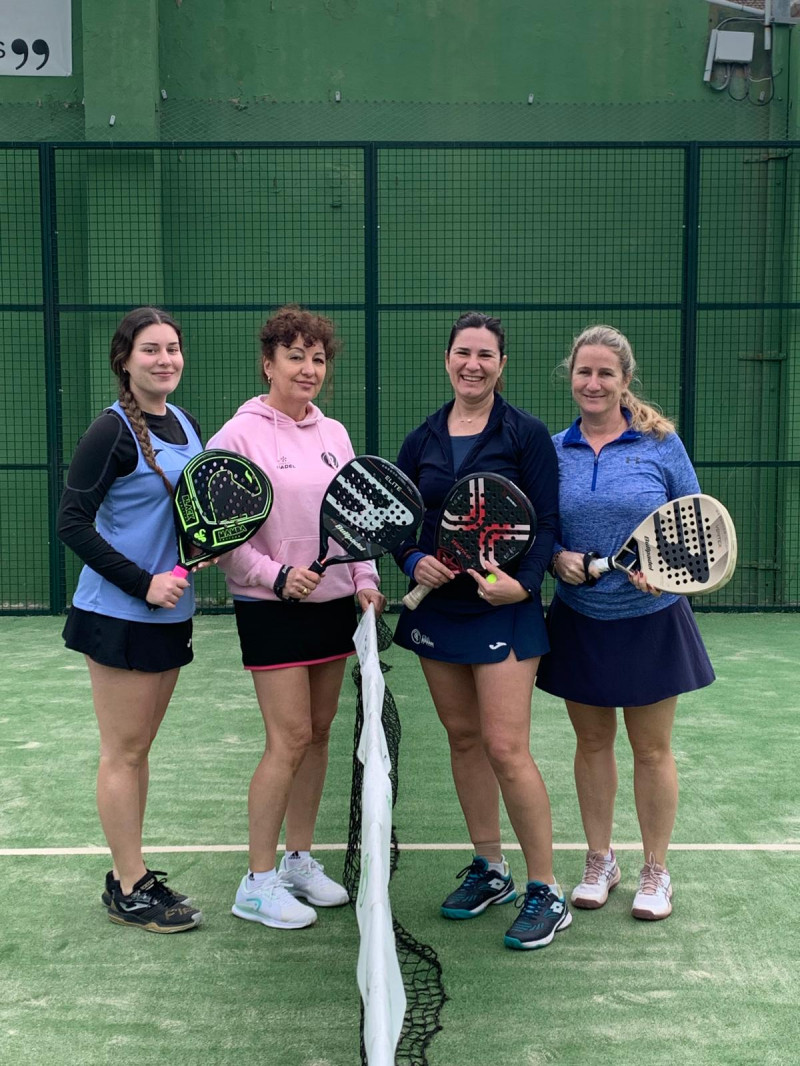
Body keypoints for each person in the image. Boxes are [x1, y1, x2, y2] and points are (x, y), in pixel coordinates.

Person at [392, 311, 569, 951]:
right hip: (439, 611)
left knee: (504, 746)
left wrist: (523, 585)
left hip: (504, 607)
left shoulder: (526, 434)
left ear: (501, 365)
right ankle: (490, 868)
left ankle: (546, 889)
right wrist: (414, 560)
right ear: (447, 360)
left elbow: (546, 523)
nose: (473, 364)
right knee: (464, 739)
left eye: (485, 355)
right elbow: (401, 520)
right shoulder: (422, 438)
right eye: (463, 353)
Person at [207, 305, 385, 931]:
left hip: (333, 604)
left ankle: (298, 860)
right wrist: (275, 576)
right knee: (287, 739)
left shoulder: (335, 434)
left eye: (317, 358)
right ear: (268, 363)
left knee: (317, 734)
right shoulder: (236, 438)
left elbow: (357, 516)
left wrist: (365, 580)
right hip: (270, 608)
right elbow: (222, 536)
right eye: (295, 357)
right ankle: (256, 883)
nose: (308, 369)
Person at [536, 324, 716, 921]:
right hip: (581, 617)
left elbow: (693, 525)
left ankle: (656, 870)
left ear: (625, 379)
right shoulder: (553, 450)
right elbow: (542, 528)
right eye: (583, 372)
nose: (593, 383)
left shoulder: (660, 444)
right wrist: (558, 557)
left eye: (605, 373)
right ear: (571, 376)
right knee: (592, 743)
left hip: (650, 618)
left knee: (652, 749)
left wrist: (666, 572)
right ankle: (600, 860)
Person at [58, 307, 204, 933]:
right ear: (125, 360)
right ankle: (127, 886)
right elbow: (71, 522)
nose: (164, 359)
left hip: (170, 614)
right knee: (122, 752)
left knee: (140, 750)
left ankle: (133, 873)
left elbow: (188, 512)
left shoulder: (185, 423)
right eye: (151, 349)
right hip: (118, 614)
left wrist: (200, 548)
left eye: (172, 348)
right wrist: (143, 583)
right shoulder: (109, 431)